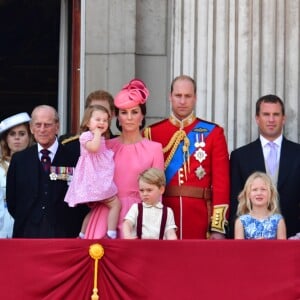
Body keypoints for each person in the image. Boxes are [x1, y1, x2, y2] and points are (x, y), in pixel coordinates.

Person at [144, 75, 230, 239]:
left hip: (201, 217)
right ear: (170, 97)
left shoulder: (213, 133)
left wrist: (218, 227)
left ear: (195, 98)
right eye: (178, 96)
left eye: (188, 96)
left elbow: (222, 184)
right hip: (163, 216)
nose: (182, 101)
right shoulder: (152, 133)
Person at [84, 78, 164, 238]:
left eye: (134, 112)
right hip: (106, 215)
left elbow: (157, 194)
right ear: (117, 117)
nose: (129, 117)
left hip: (140, 216)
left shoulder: (155, 148)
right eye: (124, 112)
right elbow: (91, 178)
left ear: (142, 116)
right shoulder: (105, 146)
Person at [6, 105, 87, 238]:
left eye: (47, 125)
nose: (42, 130)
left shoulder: (74, 158)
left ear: (57, 126)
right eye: (38, 125)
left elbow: (83, 200)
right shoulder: (19, 160)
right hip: (27, 235)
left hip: (65, 235)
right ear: (31, 128)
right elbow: (12, 201)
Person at [230, 94, 300, 238]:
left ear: (284, 118)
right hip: (251, 242)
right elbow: (234, 200)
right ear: (257, 118)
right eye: (266, 114)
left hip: (295, 236)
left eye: (276, 114)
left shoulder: (298, 153)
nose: (271, 119)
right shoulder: (240, 156)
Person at [64, 105, 120, 239]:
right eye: (98, 119)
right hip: (94, 181)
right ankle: (111, 233)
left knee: (95, 209)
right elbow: (94, 148)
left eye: (105, 120)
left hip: (96, 180)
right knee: (116, 204)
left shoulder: (98, 137)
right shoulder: (86, 136)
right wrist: (98, 134)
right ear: (88, 122)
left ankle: (82, 234)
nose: (102, 123)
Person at [0, 112, 33, 238]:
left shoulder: (38, 164)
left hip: (28, 229)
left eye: (22, 134)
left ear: (29, 137)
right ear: (6, 139)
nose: (17, 138)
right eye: (12, 134)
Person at [123, 168, 177, 240]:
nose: (144, 194)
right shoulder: (136, 208)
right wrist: (127, 236)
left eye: (149, 190)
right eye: (142, 190)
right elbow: (127, 223)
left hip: (159, 249)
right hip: (139, 249)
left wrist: (173, 244)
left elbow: (170, 232)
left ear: (161, 190)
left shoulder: (168, 212)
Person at [61, 90, 116, 158]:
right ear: (87, 115)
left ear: (113, 114)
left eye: (104, 111)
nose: (99, 116)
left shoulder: (120, 145)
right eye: (94, 111)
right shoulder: (70, 147)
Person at [234, 171, 286, 239]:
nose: (259, 193)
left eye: (263, 189)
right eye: (254, 190)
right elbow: (238, 248)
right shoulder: (241, 222)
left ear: (271, 193)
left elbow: (283, 248)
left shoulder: (278, 220)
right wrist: (256, 245)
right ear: (248, 194)